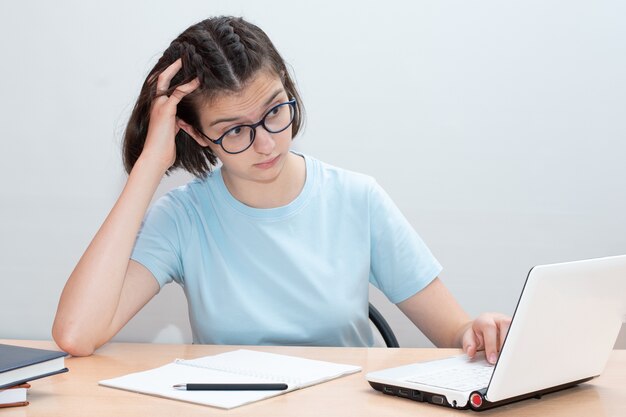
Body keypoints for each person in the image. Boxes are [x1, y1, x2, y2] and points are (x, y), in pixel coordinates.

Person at [52, 16, 510, 361]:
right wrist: (150, 165)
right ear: (193, 134)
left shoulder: (357, 199)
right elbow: (76, 333)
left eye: (275, 110)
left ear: (288, 88)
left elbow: (455, 331)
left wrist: (479, 331)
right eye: (234, 130)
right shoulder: (184, 217)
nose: (267, 142)